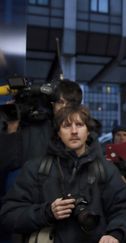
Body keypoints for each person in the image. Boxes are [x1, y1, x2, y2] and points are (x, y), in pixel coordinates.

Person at [0, 105, 126, 243]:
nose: (74, 131)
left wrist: (115, 233)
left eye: (79, 125)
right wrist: (47, 212)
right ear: (58, 133)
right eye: (67, 126)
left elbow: (124, 209)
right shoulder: (36, 169)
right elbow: (9, 215)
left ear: (88, 132)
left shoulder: (105, 169)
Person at [0, 79, 83, 242]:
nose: (63, 107)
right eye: (59, 102)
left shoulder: (76, 134)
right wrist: (12, 128)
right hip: (27, 210)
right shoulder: (33, 126)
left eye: (67, 103)